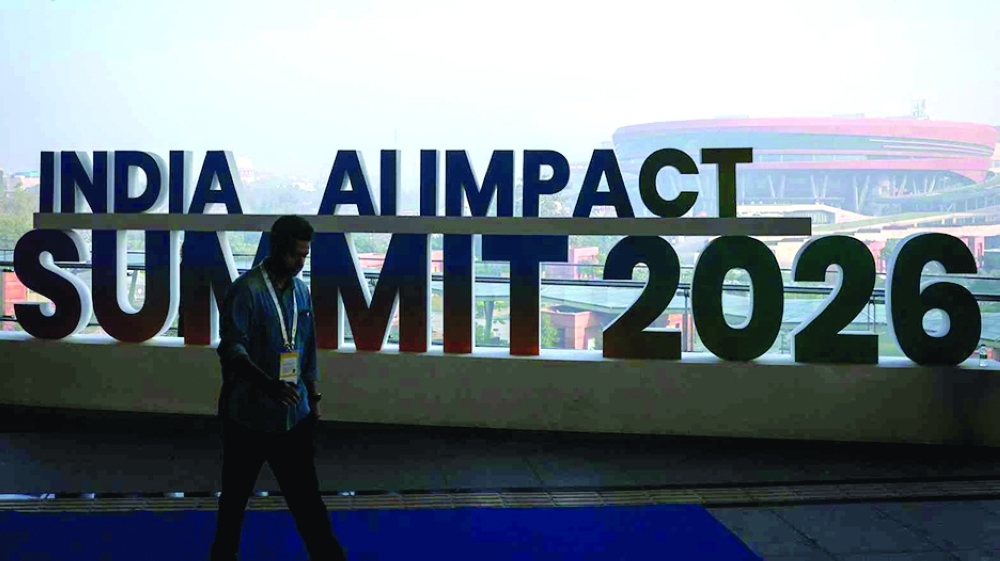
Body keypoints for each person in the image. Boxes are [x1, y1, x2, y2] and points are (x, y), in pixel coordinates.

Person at [209, 215, 346, 560]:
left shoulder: (301, 292)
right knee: (234, 501)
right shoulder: (246, 291)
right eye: (295, 254)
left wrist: (313, 396)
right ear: (276, 249)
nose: (301, 262)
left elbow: (307, 348)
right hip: (248, 419)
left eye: (305, 255)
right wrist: (268, 386)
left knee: (308, 502)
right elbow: (231, 349)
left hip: (293, 416)